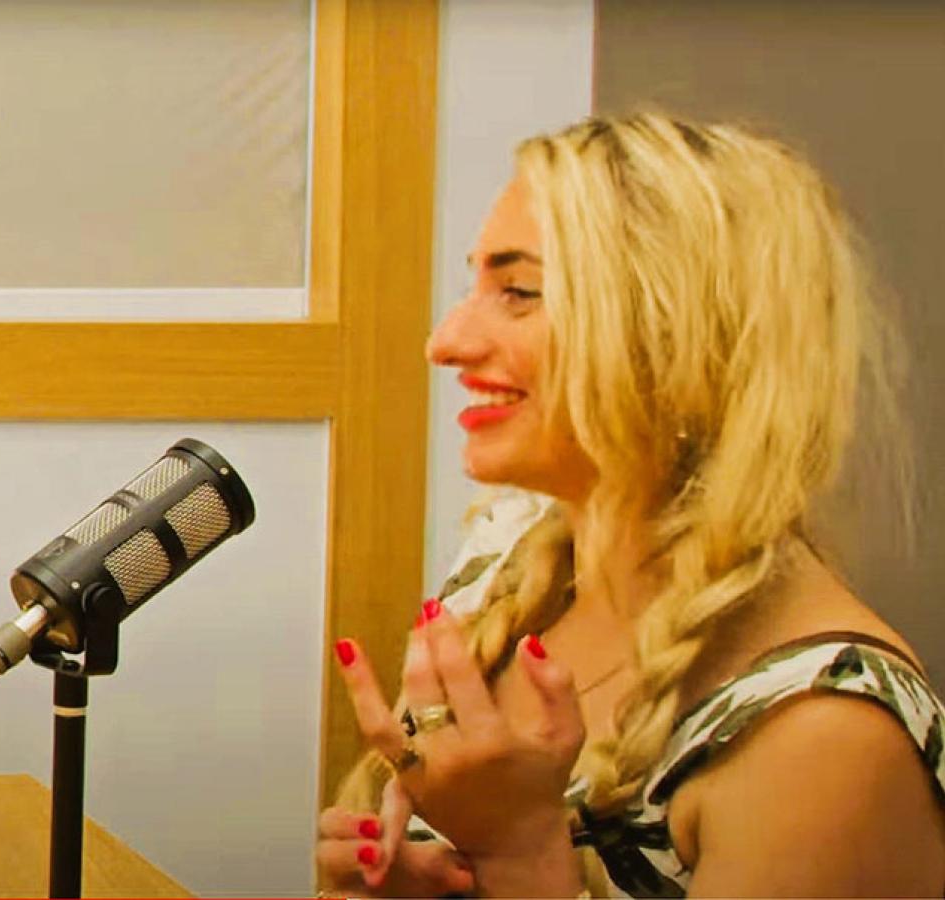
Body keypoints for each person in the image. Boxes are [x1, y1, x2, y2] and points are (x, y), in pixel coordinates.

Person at [315, 112, 945, 897]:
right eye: (473, 284)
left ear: (677, 337)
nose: (444, 341)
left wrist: (520, 853)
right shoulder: (507, 565)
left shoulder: (826, 731)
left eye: (518, 292)